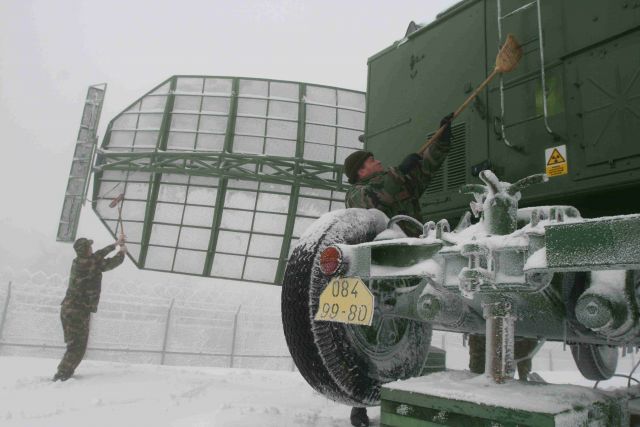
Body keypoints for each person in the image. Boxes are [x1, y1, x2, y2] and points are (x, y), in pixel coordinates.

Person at [343, 113, 454, 427]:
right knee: (367, 339)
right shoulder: (356, 194)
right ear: (360, 171)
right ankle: (359, 402)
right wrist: (402, 170)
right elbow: (380, 194)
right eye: (372, 161)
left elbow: (426, 170)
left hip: (411, 264)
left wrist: (441, 139)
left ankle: (400, 395)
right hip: (377, 274)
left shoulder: (397, 180)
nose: (377, 162)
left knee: (406, 337)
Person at [53, 235, 126, 381]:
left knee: (74, 344)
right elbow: (109, 263)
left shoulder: (78, 262)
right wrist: (122, 253)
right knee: (77, 346)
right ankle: (62, 375)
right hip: (78, 311)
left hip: (69, 309)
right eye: (90, 246)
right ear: (86, 250)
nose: (92, 248)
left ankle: (64, 372)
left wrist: (116, 244)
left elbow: (98, 255)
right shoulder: (91, 263)